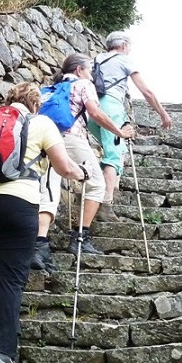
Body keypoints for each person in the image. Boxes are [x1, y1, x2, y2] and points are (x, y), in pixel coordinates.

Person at [0, 82, 86, 363]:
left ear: (9, 100)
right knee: (11, 277)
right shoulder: (42, 123)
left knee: (4, 270)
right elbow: (64, 167)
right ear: (36, 104)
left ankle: (3, 341)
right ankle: (2, 352)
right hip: (18, 205)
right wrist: (82, 172)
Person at [31, 54, 135, 272]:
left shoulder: (53, 88)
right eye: (89, 70)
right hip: (70, 139)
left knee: (49, 191)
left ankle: (39, 246)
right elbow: (96, 113)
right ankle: (80, 238)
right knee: (96, 184)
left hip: (44, 139)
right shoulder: (83, 84)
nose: (92, 75)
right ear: (79, 70)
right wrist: (119, 132)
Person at [90, 31, 172, 222]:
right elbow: (146, 92)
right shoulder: (124, 60)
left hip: (93, 111)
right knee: (113, 154)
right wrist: (162, 113)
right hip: (111, 108)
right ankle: (106, 205)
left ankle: (112, 188)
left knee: (118, 149)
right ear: (124, 45)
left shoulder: (96, 59)